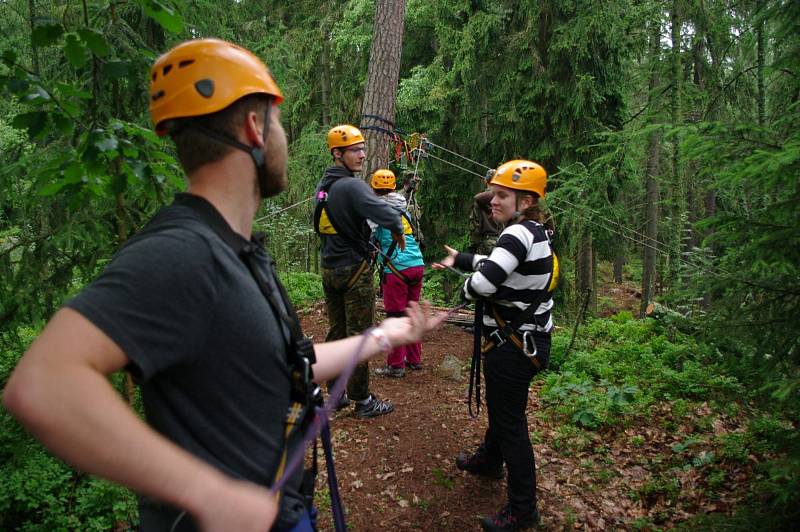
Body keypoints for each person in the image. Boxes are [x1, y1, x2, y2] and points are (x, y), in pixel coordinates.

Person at [3, 39, 443, 532]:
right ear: (254, 128)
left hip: (285, 507)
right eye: (277, 122)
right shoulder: (182, 252)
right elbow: (44, 382)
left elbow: (284, 364)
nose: (282, 135)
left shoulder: (238, 251)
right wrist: (205, 491)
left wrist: (388, 336)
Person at [434, 160, 556, 531]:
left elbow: (485, 283)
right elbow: (498, 265)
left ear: (527, 199)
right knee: (504, 410)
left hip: (514, 346)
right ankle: (490, 459)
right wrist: (463, 260)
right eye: (493, 195)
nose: (493, 202)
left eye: (502, 195)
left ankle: (523, 508)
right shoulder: (533, 232)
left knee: (511, 422)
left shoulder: (516, 234)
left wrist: (466, 284)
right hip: (526, 342)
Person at [313, 126, 406, 418]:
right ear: (337, 153)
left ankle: (336, 394)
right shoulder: (352, 186)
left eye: (363, 148)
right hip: (353, 268)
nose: (362, 155)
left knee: (337, 331)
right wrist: (397, 228)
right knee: (360, 335)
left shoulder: (323, 187)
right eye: (355, 150)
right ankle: (363, 400)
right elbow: (387, 213)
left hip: (330, 268)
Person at [369, 169, 426, 378]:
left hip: (396, 269)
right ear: (393, 188)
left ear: (373, 189)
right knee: (411, 313)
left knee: (395, 316)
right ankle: (414, 359)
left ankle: (395, 365)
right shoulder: (404, 209)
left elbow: (367, 237)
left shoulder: (375, 212)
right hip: (417, 265)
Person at [468, 189, 504, 255]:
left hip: (487, 245)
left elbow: (475, 227)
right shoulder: (507, 198)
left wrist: (473, 246)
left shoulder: (480, 201)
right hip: (504, 243)